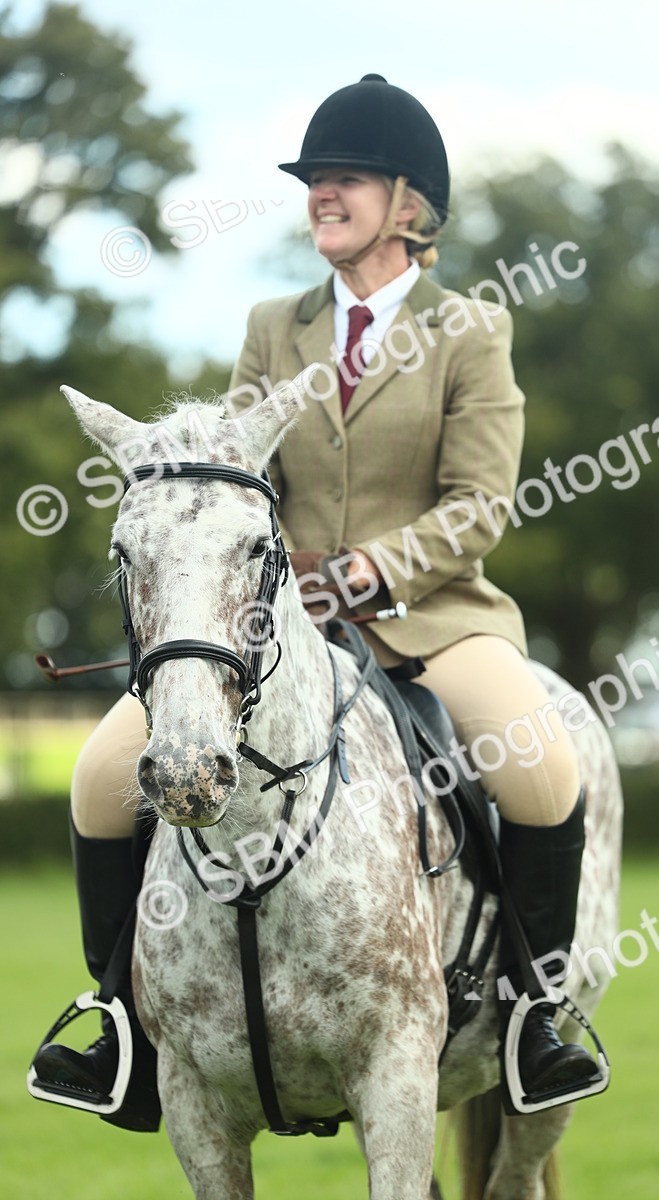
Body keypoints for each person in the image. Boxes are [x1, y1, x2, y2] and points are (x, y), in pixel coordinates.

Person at [32, 74, 600, 1126]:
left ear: (407, 206)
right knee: (102, 778)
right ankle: (117, 1022)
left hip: (433, 620)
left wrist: (376, 568)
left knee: (543, 766)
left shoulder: (469, 330)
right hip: (278, 630)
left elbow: (480, 501)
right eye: (313, 183)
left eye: (342, 181)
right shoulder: (269, 327)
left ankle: (535, 1016)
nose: (320, 198)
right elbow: (245, 472)